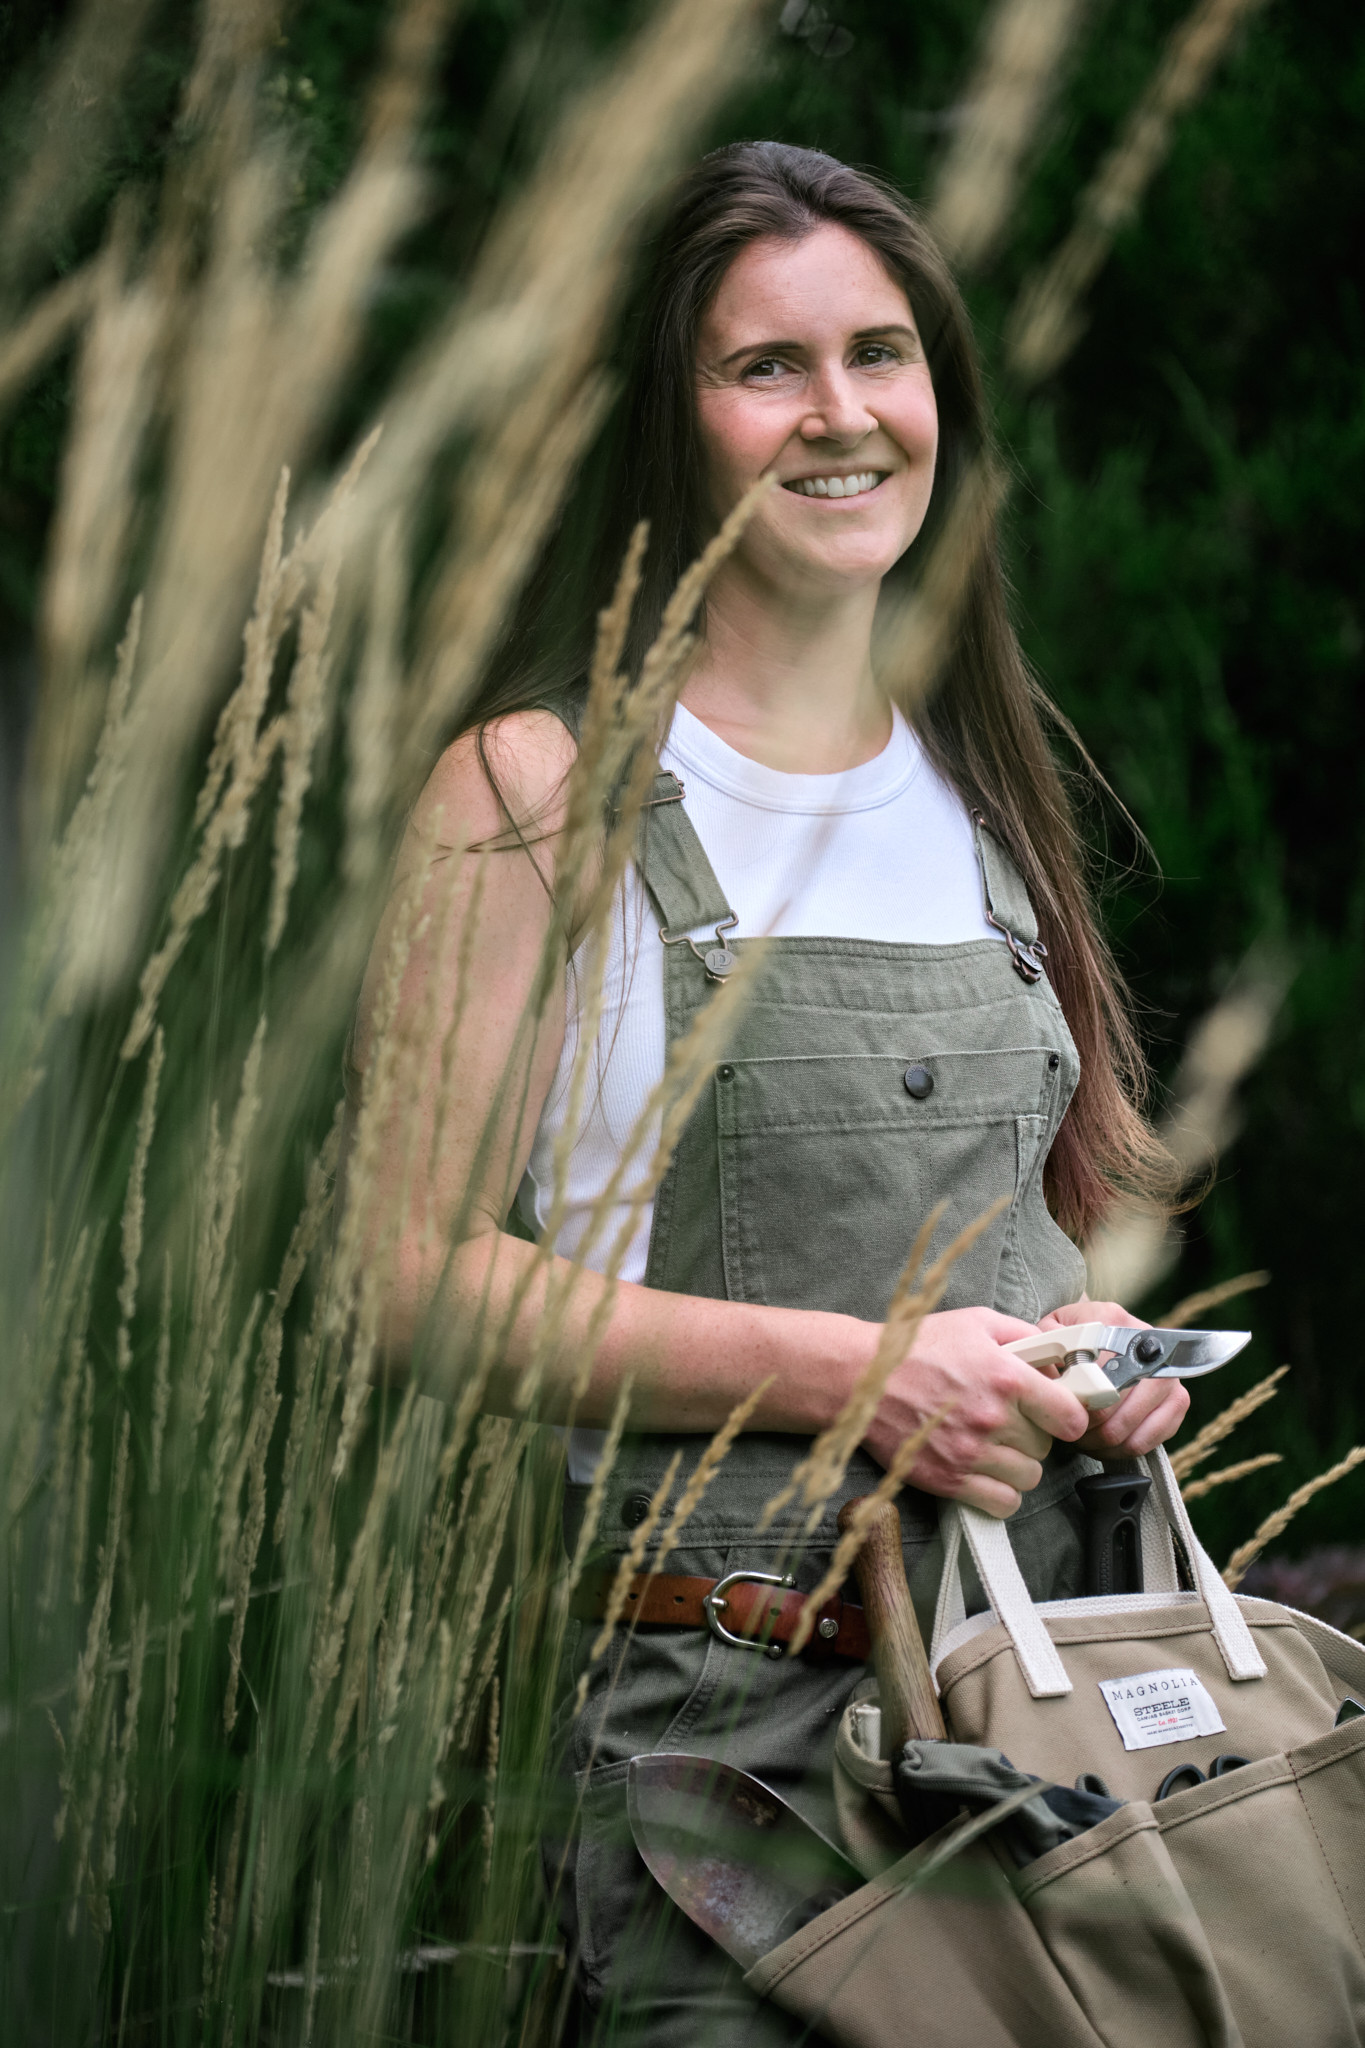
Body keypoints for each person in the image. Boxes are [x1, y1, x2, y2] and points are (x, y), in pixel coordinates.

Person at [347, 143, 1189, 2046]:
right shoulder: (534, 794)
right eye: (766, 368)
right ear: (670, 419)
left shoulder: (982, 788)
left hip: (1039, 1724)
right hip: (731, 1776)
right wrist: (866, 1374)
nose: (841, 415)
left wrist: (1088, 1362)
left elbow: (1028, 1223)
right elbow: (401, 1278)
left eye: (881, 355)